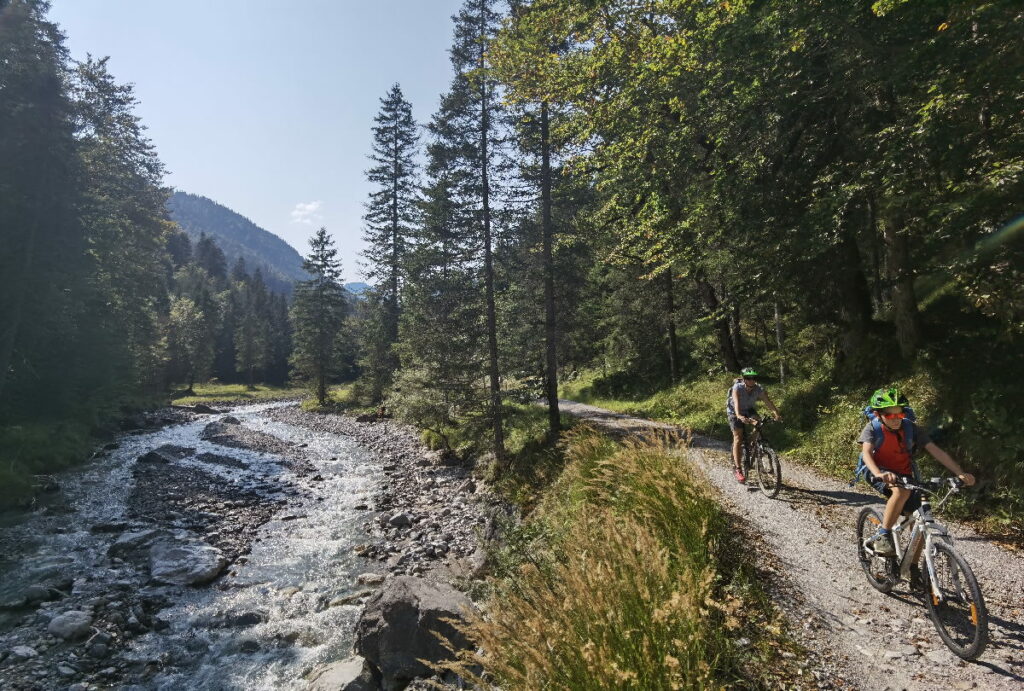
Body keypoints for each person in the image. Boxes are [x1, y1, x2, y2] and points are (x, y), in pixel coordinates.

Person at [860, 387, 975, 556]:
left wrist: (960, 472)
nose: (896, 419)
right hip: (878, 471)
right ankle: (883, 535)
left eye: (900, 414)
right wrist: (879, 473)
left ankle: (912, 568)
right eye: (890, 415)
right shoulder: (872, 428)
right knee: (900, 492)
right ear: (878, 415)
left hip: (904, 473)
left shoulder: (911, 428)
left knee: (920, 517)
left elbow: (935, 450)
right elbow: (866, 454)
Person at [726, 367, 782, 483]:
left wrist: (776, 413)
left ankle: (752, 442)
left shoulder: (758, 388)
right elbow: (736, 403)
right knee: (738, 437)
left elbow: (768, 402)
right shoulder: (737, 387)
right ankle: (738, 470)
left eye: (754, 378)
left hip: (748, 410)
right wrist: (739, 416)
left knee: (760, 422)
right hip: (734, 411)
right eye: (748, 378)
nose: (751, 380)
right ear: (743, 379)